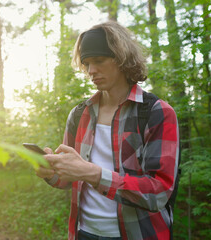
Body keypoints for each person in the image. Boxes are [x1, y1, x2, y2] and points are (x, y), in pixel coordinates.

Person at [36, 21, 180, 240]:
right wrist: (51, 173)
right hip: (83, 233)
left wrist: (93, 174)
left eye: (99, 61)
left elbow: (158, 192)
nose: (91, 70)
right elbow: (69, 180)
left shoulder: (156, 112)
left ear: (121, 58)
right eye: (86, 63)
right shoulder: (78, 114)